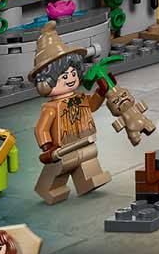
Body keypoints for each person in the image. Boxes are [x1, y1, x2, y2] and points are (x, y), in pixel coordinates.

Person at [30, 21, 112, 205]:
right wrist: (47, 147)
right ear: (46, 82)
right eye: (64, 76)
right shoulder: (51, 108)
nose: (70, 79)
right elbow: (41, 128)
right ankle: (49, 189)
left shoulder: (80, 98)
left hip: (84, 141)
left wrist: (101, 92)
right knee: (60, 168)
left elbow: (91, 106)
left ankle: (89, 180)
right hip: (62, 147)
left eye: (73, 73)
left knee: (88, 159)